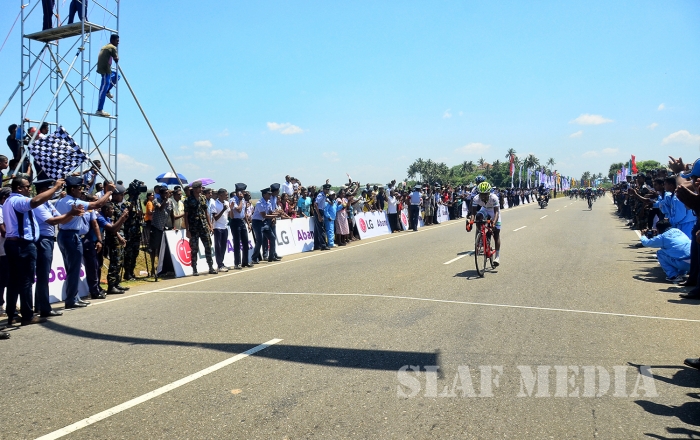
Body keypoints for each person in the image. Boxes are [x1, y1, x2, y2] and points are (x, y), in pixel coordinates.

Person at [4, 177, 66, 326]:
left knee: (13, 281)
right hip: (23, 244)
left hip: (12, 243)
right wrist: (55, 188)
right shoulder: (18, 200)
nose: (29, 189)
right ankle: (27, 316)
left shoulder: (8, 201)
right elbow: (34, 201)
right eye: (27, 186)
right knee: (26, 281)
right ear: (19, 188)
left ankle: (12, 315)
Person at [56, 177, 114, 308]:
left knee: (71, 268)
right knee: (74, 269)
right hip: (71, 235)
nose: (81, 191)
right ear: (72, 189)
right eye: (79, 188)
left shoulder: (61, 201)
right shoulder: (73, 202)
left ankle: (74, 296)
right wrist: (109, 192)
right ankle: (71, 299)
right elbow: (97, 204)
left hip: (64, 234)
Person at [33, 179, 82, 314]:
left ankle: (40, 305)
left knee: (44, 274)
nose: (53, 192)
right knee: (43, 274)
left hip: (49, 239)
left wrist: (73, 214)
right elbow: (52, 221)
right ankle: (43, 307)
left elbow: (61, 220)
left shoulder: (48, 203)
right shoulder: (39, 205)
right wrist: (71, 213)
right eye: (51, 189)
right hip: (42, 240)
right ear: (43, 191)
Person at [640, 219, 691, 283]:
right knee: (679, 251)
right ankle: (682, 273)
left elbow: (646, 243)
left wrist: (643, 236)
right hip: (695, 263)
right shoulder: (678, 231)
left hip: (684, 264)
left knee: (660, 253)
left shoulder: (662, 237)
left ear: (659, 229)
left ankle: (673, 276)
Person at [183, 181, 216, 275]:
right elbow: (186, 216)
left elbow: (206, 212)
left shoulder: (203, 198)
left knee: (208, 246)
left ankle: (211, 267)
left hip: (203, 226)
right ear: (195, 189)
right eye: (200, 188)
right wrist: (187, 230)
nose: (201, 189)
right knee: (194, 249)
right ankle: (194, 268)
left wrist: (210, 225)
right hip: (194, 227)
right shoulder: (188, 200)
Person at [104, 188, 130, 294]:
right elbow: (112, 224)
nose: (122, 197)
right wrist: (119, 237)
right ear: (114, 195)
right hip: (114, 237)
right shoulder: (111, 206)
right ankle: (111, 285)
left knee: (120, 261)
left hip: (120, 235)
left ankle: (116, 283)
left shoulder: (118, 206)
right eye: (121, 195)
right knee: (115, 261)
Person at [470, 181, 502, 266]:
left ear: (489, 193)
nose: (483, 196)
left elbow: (496, 213)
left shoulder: (494, 198)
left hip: (493, 211)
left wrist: (494, 223)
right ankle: (481, 235)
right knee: (478, 216)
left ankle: (497, 257)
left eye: (485, 194)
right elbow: (473, 213)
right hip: (484, 209)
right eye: (481, 194)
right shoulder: (476, 198)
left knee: (496, 234)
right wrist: (471, 222)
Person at [251, 188, 280, 263]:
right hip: (257, 222)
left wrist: (278, 213)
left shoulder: (269, 202)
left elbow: (270, 212)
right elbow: (264, 215)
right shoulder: (259, 203)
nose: (270, 195)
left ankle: (271, 256)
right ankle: (254, 258)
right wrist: (276, 216)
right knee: (259, 240)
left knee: (272, 237)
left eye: (270, 194)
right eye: (269, 194)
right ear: (264, 195)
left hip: (264, 222)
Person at [95, 34, 119, 117]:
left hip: (104, 68)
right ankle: (99, 110)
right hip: (105, 70)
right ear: (112, 40)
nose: (118, 43)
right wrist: (117, 58)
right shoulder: (112, 47)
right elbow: (116, 59)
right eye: (117, 41)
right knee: (103, 88)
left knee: (117, 76)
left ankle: (107, 91)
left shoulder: (105, 46)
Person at [229, 183, 250, 269]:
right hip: (235, 222)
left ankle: (245, 261)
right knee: (237, 243)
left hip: (242, 221)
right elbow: (238, 209)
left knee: (245, 242)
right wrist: (241, 200)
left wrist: (247, 223)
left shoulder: (243, 200)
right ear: (239, 192)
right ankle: (237, 263)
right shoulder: (233, 200)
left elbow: (244, 212)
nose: (244, 193)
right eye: (243, 191)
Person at [212, 188, 230, 272]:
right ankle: (219, 265)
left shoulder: (227, 203)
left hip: (225, 227)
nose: (227, 196)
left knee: (223, 247)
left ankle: (221, 263)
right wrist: (223, 209)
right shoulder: (214, 204)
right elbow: (215, 218)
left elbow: (228, 214)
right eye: (225, 195)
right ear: (220, 195)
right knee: (218, 247)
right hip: (218, 227)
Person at [314, 184, 331, 250]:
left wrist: (328, 201)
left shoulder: (324, 195)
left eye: (328, 189)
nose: (327, 190)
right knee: (321, 229)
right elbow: (315, 204)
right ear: (323, 189)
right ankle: (323, 245)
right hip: (319, 211)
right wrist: (319, 215)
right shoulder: (321, 195)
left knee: (317, 229)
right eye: (326, 189)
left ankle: (316, 245)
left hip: (321, 210)